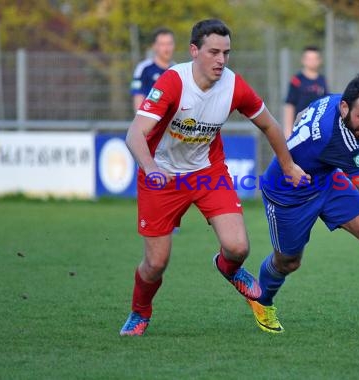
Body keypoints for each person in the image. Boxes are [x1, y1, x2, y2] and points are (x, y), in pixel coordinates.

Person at [120, 19, 308, 336]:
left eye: (226, 53)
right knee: (156, 264)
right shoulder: (173, 81)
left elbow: (271, 125)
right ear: (195, 51)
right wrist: (151, 168)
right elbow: (135, 133)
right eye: (214, 52)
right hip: (161, 175)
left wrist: (288, 166)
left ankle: (227, 268)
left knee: (238, 247)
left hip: (207, 173)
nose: (221, 60)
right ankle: (140, 313)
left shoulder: (234, 86)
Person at [245, 74, 359, 334]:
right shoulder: (336, 137)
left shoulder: (333, 101)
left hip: (325, 179)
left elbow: (302, 114)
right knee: (288, 262)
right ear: (345, 108)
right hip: (288, 195)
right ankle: (261, 300)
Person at [283, 46, 329, 138]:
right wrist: (288, 131)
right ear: (303, 60)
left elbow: (326, 105)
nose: (311, 61)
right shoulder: (297, 80)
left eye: (314, 59)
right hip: (299, 129)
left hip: (317, 130)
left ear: (319, 61)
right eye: (309, 59)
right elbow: (289, 105)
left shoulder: (322, 80)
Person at [130, 27, 176, 110]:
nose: (167, 48)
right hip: (151, 120)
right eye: (162, 44)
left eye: (169, 44)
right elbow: (138, 97)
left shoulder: (177, 70)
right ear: (154, 46)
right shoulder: (144, 68)